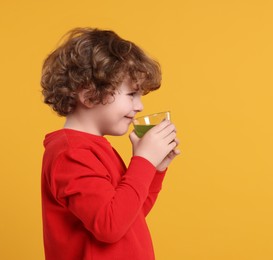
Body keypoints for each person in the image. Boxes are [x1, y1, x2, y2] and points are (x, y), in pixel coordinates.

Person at [40, 27, 180, 260]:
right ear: (89, 94)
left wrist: (154, 169)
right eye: (132, 94)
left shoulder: (95, 148)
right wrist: (143, 161)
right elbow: (109, 226)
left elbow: (129, 218)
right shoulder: (71, 153)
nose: (140, 106)